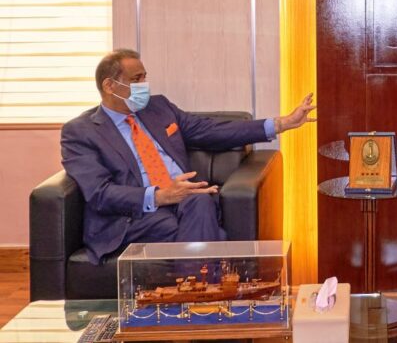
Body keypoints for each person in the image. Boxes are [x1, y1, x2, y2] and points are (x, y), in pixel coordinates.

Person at [61, 49, 316, 265]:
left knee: (200, 200)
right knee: (201, 230)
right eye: (136, 79)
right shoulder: (80, 132)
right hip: (134, 214)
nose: (144, 85)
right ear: (109, 86)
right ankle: (204, 294)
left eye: (145, 77)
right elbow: (100, 193)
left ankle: (193, 296)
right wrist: (159, 196)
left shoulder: (158, 108)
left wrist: (281, 124)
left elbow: (210, 130)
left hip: (184, 198)